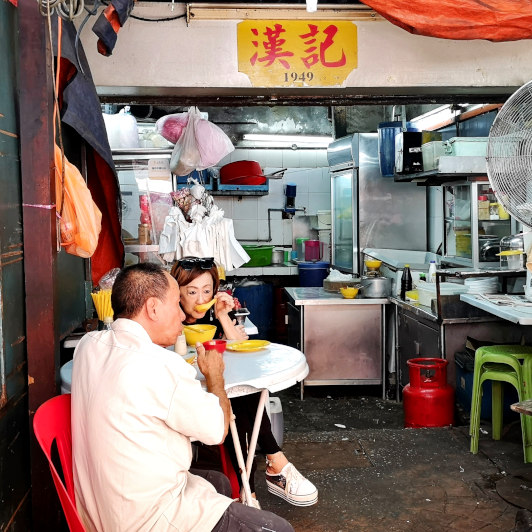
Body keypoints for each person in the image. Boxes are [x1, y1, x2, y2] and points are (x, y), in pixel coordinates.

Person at [71, 262, 294, 532]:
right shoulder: (161, 365)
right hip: (149, 519)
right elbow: (216, 432)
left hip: (96, 509)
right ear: (153, 308)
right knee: (279, 528)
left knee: (218, 482)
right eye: (177, 303)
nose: (181, 314)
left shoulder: (87, 346)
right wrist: (215, 377)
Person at [171, 256, 318, 508]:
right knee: (235, 404)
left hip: (220, 391)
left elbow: (240, 350)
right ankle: (269, 470)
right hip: (186, 395)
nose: (199, 299)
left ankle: (252, 488)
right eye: (191, 291)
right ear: (177, 292)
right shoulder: (169, 319)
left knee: (246, 396)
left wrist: (223, 317)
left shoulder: (213, 316)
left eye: (207, 291)